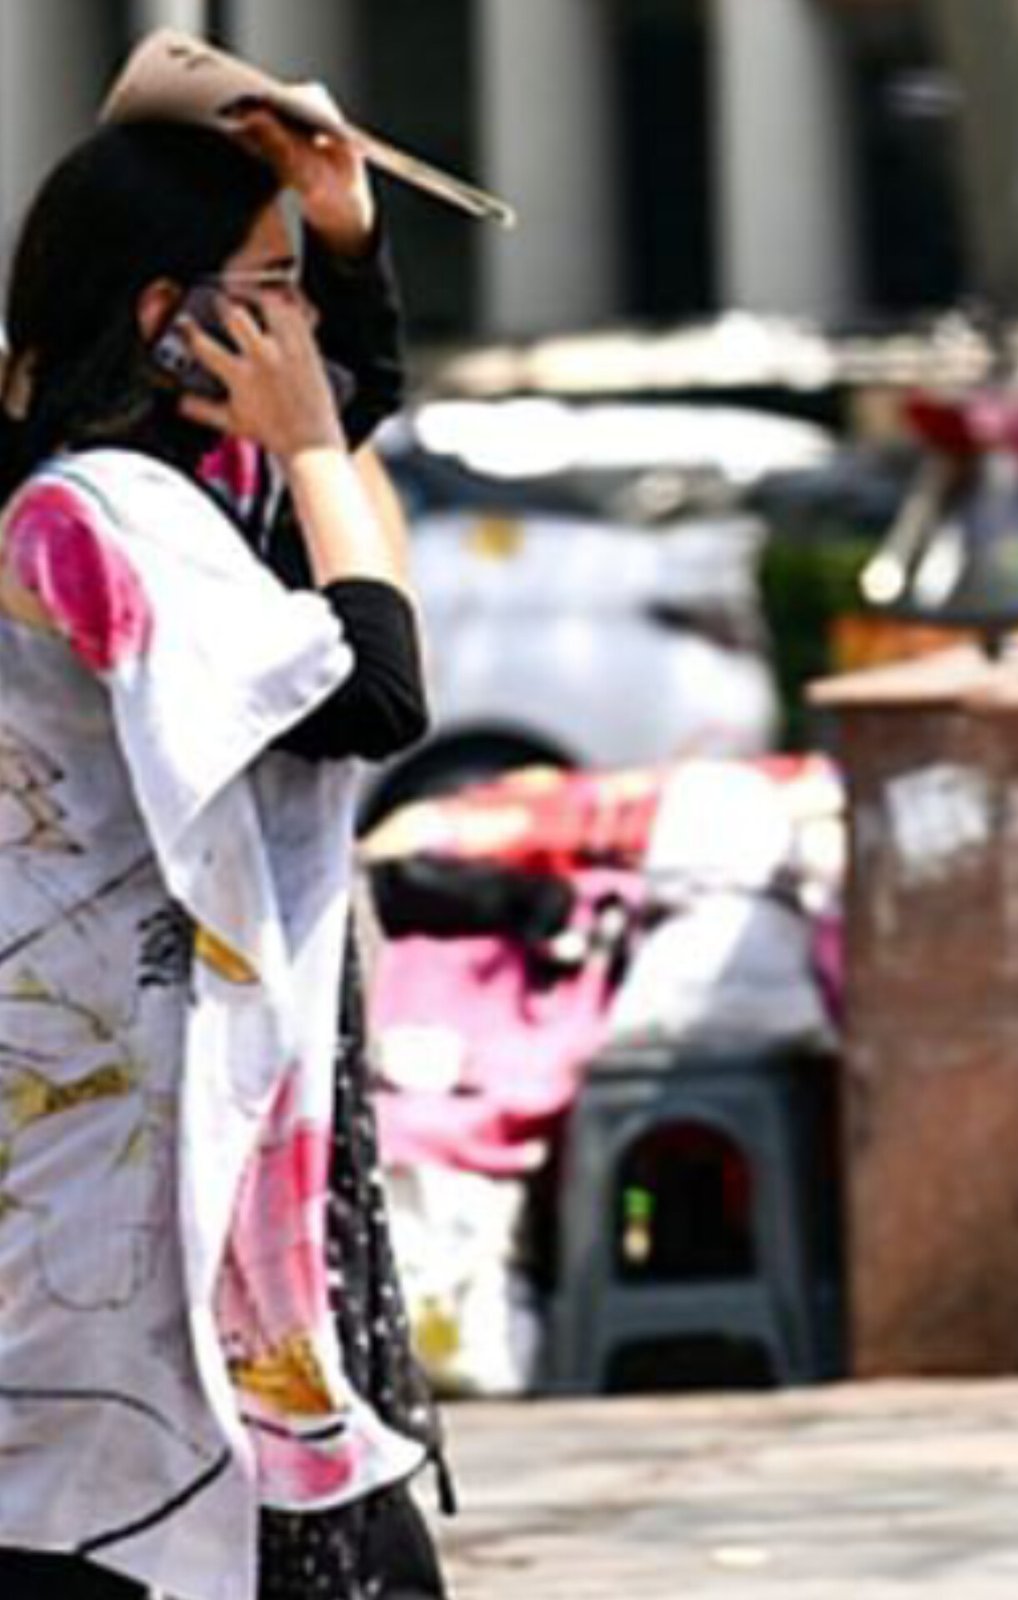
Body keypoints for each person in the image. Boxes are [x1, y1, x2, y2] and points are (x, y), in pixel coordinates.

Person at [0, 111, 447, 1600]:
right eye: (273, 286)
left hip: (126, 1106)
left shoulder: (113, 483)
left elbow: (347, 427)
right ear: (164, 315)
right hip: (125, 1139)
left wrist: (346, 243)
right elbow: (376, 691)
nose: (300, 325)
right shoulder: (104, 517)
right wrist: (310, 442)